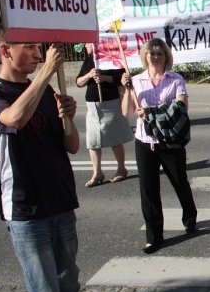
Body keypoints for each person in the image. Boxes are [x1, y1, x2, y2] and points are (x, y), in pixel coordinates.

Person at [0, 29, 97, 292]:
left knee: (68, 282)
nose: (38, 54)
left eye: (39, 47)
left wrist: (68, 118)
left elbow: (71, 146)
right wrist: (45, 74)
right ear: (5, 51)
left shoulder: (44, 90)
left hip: (61, 199)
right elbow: (13, 119)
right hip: (26, 209)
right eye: (29, 47)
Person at [121, 38, 197, 254]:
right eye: (151, 53)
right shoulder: (136, 81)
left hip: (170, 140)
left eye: (159, 53)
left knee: (179, 182)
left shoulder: (175, 79)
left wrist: (151, 112)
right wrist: (127, 90)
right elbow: (126, 112)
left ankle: (190, 216)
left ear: (166, 57)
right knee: (148, 190)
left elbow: (181, 106)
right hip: (145, 142)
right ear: (145, 56)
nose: (155, 57)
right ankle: (154, 237)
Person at [75, 42, 134, 187]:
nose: (86, 47)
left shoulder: (110, 59)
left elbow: (122, 78)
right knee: (93, 141)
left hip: (110, 104)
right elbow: (79, 82)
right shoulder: (89, 61)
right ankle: (97, 173)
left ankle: (121, 169)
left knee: (115, 139)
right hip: (93, 107)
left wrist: (104, 78)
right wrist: (89, 75)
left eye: (88, 44)